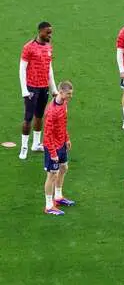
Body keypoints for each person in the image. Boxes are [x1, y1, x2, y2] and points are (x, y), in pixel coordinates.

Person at [19, 21, 58, 160]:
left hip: (43, 88)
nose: (50, 35)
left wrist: (53, 88)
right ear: (40, 31)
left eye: (51, 32)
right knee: (28, 118)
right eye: (48, 32)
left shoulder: (48, 47)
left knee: (39, 116)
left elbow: (49, 69)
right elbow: (22, 69)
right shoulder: (28, 47)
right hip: (31, 88)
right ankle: (24, 147)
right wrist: (24, 90)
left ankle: (35, 144)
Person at [42, 81, 75, 216]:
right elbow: (47, 134)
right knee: (52, 175)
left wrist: (66, 138)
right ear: (61, 92)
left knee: (64, 168)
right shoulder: (51, 111)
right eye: (68, 94)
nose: (70, 96)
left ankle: (58, 196)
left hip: (61, 144)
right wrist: (53, 152)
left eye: (71, 94)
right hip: (52, 147)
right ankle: (49, 205)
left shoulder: (64, 104)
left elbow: (63, 123)